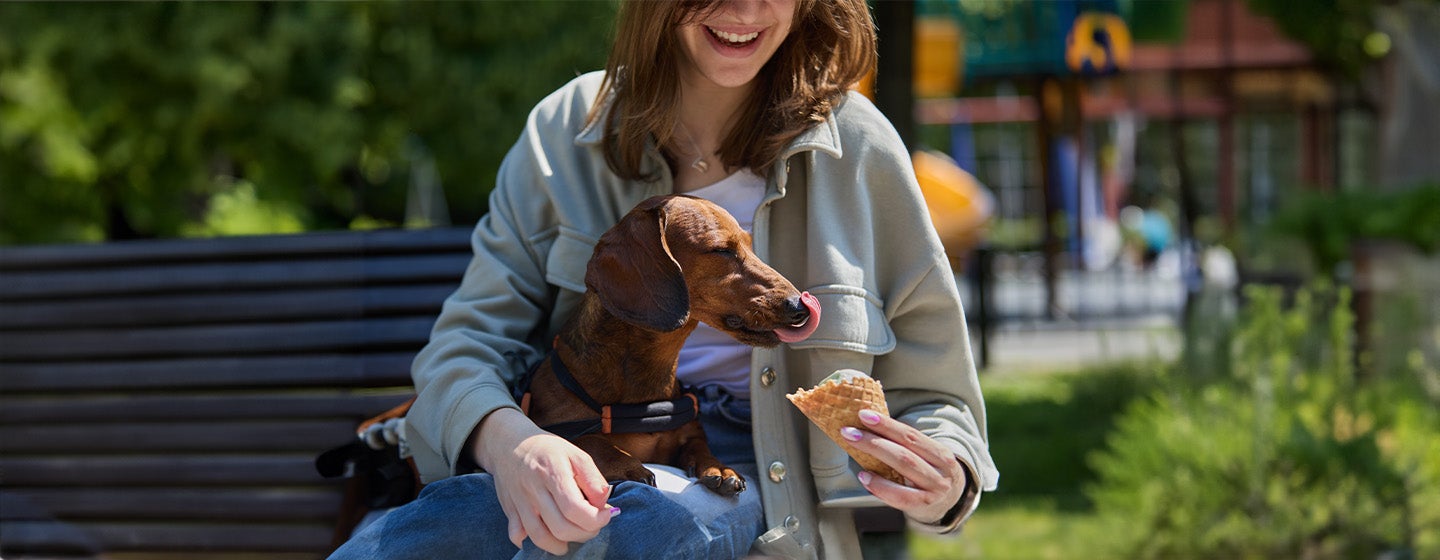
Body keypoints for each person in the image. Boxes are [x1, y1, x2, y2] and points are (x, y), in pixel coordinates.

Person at [329, 0, 997, 558]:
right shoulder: (565, 130)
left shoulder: (860, 148)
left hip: (752, 473)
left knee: (644, 524)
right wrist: (513, 445)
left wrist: (942, 478)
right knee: (434, 528)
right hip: (581, 443)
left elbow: (938, 393)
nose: (744, 10)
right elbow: (464, 346)